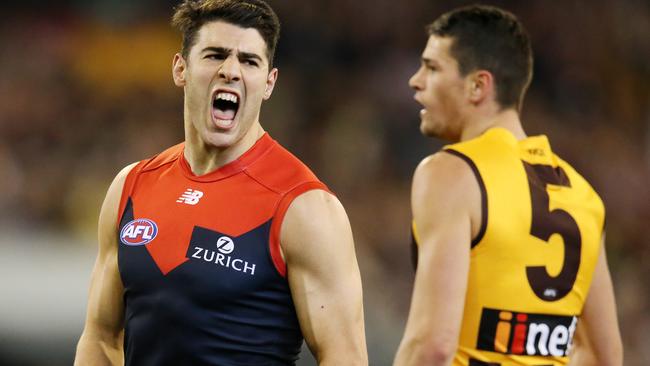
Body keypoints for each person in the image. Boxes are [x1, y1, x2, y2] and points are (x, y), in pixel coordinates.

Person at [74, 1, 367, 365]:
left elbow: (344, 357)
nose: (231, 71)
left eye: (249, 61)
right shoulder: (131, 186)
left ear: (269, 83)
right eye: (215, 55)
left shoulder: (304, 207)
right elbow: (101, 338)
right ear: (181, 69)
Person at [394, 5, 622, 366]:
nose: (416, 80)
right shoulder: (584, 195)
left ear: (477, 86)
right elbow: (603, 355)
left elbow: (432, 346)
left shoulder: (451, 172)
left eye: (432, 67)